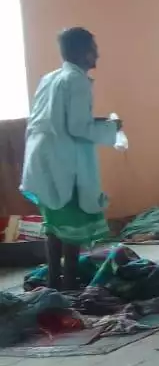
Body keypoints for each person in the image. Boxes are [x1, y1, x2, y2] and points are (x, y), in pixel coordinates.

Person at [20, 28, 123, 290]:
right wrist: (112, 128)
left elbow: (57, 119)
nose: (97, 53)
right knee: (73, 228)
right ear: (81, 52)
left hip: (42, 160)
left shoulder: (50, 78)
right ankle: (69, 284)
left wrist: (98, 122)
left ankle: (55, 280)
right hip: (65, 164)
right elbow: (78, 127)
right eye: (93, 48)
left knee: (54, 225)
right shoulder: (76, 81)